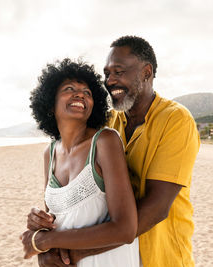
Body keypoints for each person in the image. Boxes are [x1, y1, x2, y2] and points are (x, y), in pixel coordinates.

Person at [28, 36, 200, 267]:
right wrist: (42, 226)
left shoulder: (175, 119)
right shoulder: (107, 123)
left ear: (146, 72)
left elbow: (157, 207)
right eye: (107, 74)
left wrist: (75, 253)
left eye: (119, 72)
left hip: (161, 255)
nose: (110, 81)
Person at [21, 58, 140, 266]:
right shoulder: (49, 154)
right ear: (50, 104)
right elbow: (58, 220)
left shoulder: (105, 141)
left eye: (87, 92)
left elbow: (126, 229)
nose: (80, 94)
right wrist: (38, 224)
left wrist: (45, 240)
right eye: (69, 89)